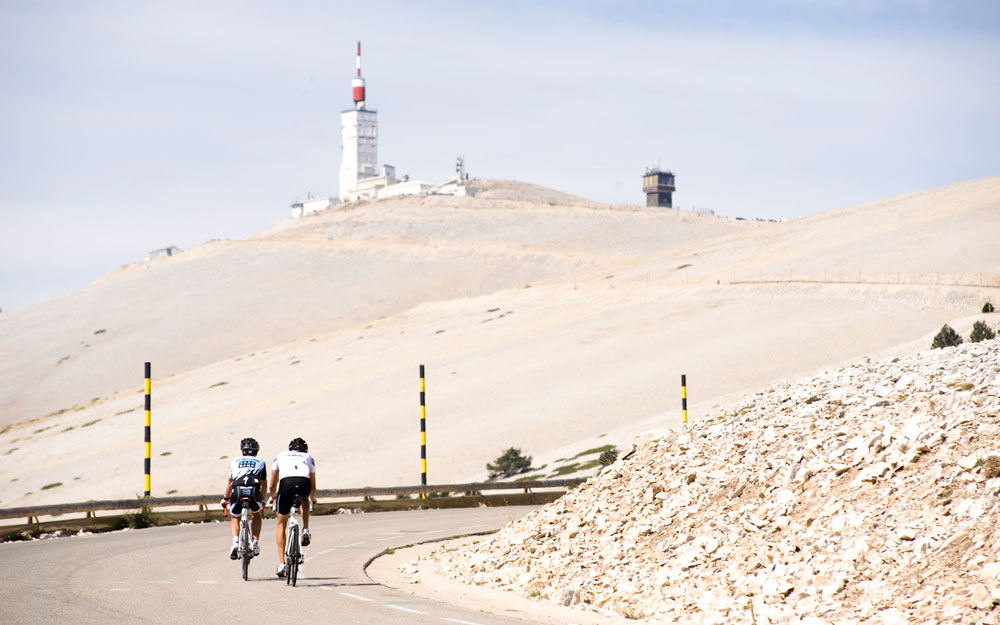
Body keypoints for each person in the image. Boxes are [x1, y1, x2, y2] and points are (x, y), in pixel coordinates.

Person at [269, 437, 316, 578]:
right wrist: (312, 498)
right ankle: (305, 528)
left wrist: (273, 497)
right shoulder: (308, 457)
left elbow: (272, 483)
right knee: (305, 499)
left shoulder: (280, 456)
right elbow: (313, 483)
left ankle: (282, 563)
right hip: (303, 483)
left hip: (286, 484)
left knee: (281, 524)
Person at [221, 437, 267, 560]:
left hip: (237, 490)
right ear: (256, 451)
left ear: (242, 451)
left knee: (235, 516)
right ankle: (255, 543)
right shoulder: (261, 462)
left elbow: (230, 483)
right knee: (256, 514)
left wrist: (225, 498)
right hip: (253, 490)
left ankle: (235, 543)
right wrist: (263, 499)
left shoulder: (235, 461)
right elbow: (264, 484)